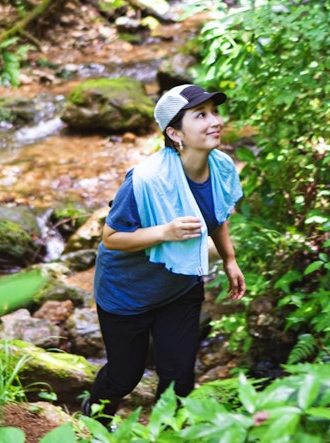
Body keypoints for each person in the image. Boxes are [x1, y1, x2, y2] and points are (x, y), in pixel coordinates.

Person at [81, 83, 246, 423]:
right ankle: (94, 420)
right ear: (175, 132)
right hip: (127, 292)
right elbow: (110, 237)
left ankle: (166, 432)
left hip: (180, 288)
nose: (215, 120)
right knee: (125, 376)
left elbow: (216, 215)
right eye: (200, 115)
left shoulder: (221, 167)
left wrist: (229, 260)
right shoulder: (146, 179)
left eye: (214, 112)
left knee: (179, 379)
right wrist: (165, 233)